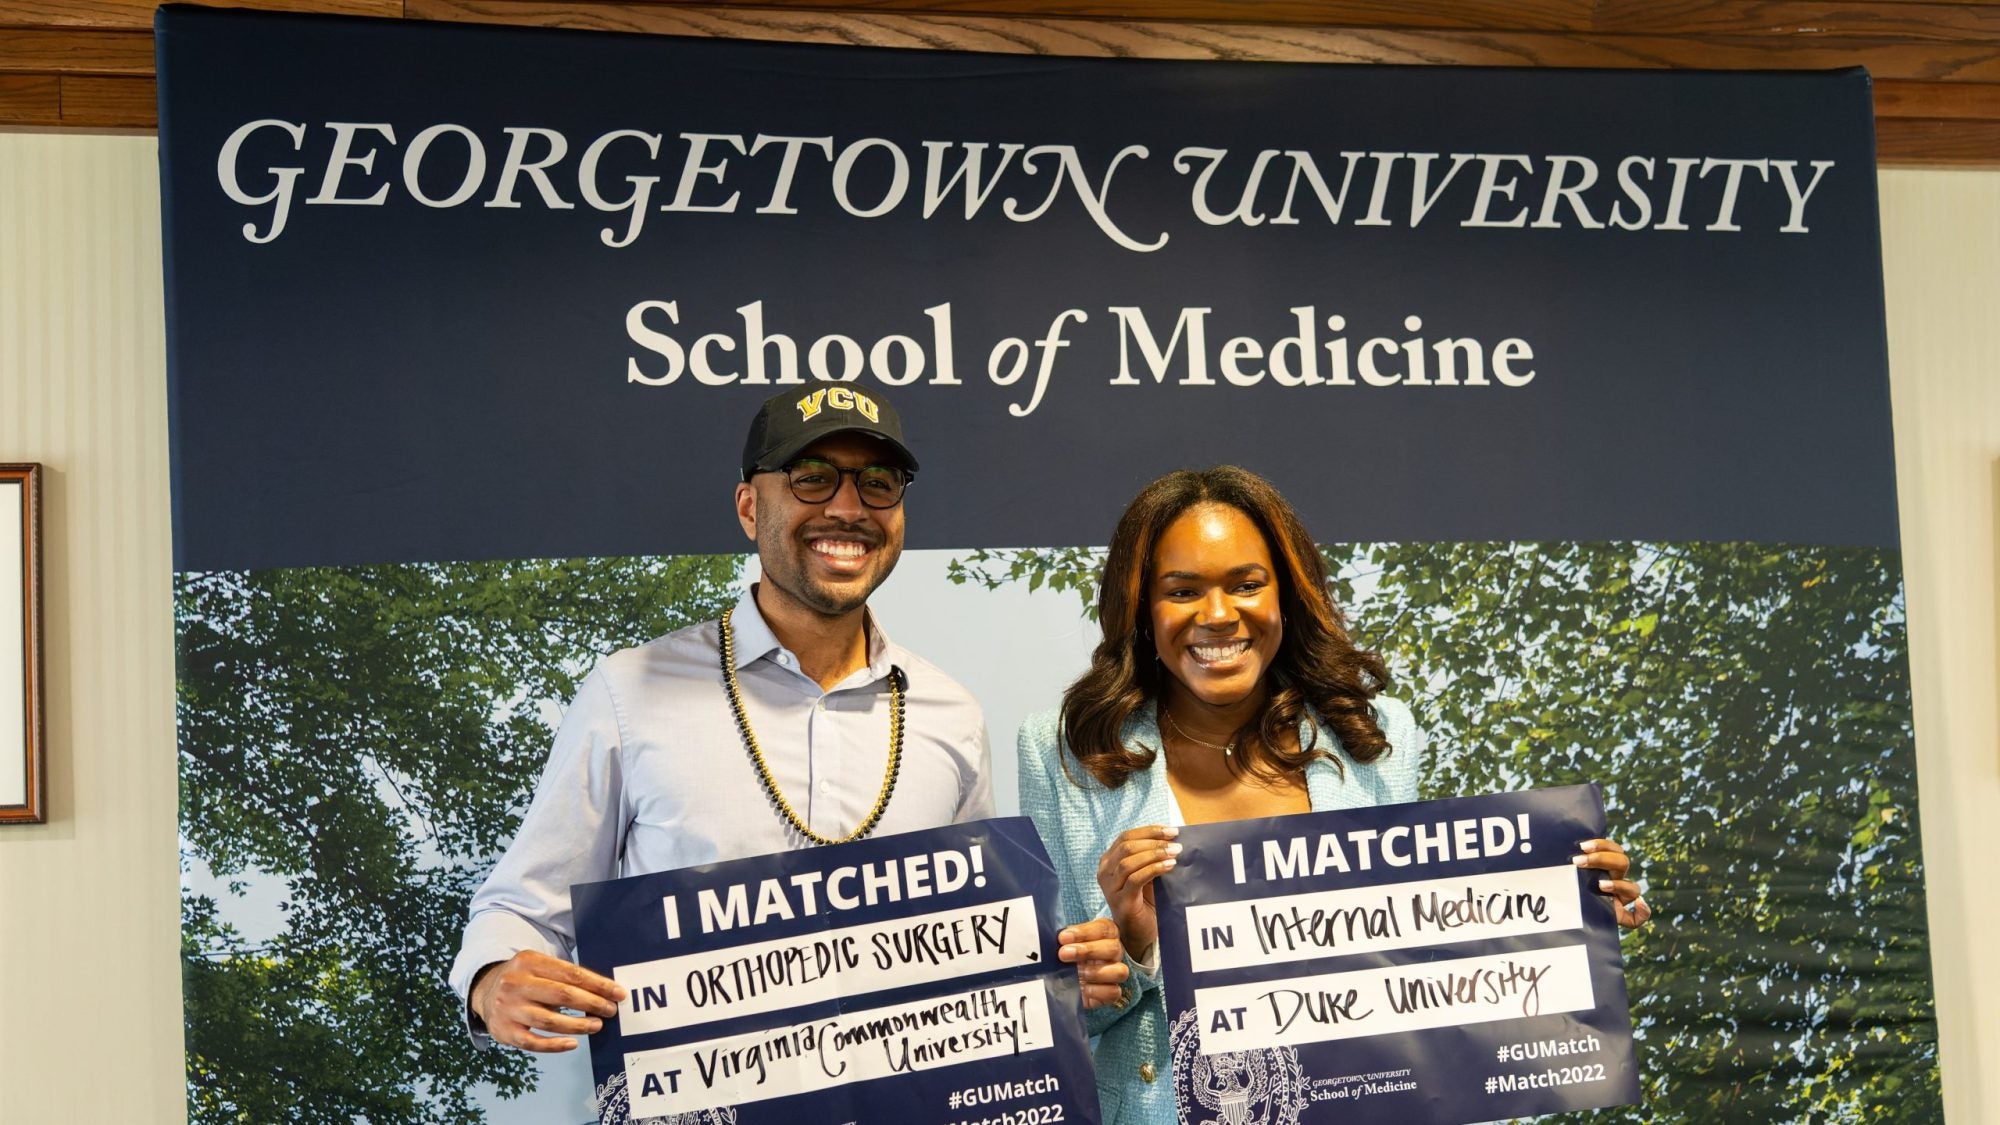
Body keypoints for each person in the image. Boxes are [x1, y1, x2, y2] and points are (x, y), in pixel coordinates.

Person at [1022, 466, 1649, 1124]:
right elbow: (1049, 1018)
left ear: (1284, 595)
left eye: (1246, 583)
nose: (1217, 614)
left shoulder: (1377, 738)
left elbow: (1425, 949)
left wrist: (1573, 910)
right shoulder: (1064, 750)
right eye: (1183, 590)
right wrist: (1130, 946)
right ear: (1143, 607)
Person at [451, 385, 992, 1052]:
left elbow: (980, 939)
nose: (849, 507)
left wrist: (1062, 970)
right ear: (749, 506)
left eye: (878, 482)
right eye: (812, 478)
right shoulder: (629, 693)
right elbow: (521, 907)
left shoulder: (951, 714)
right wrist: (493, 976)